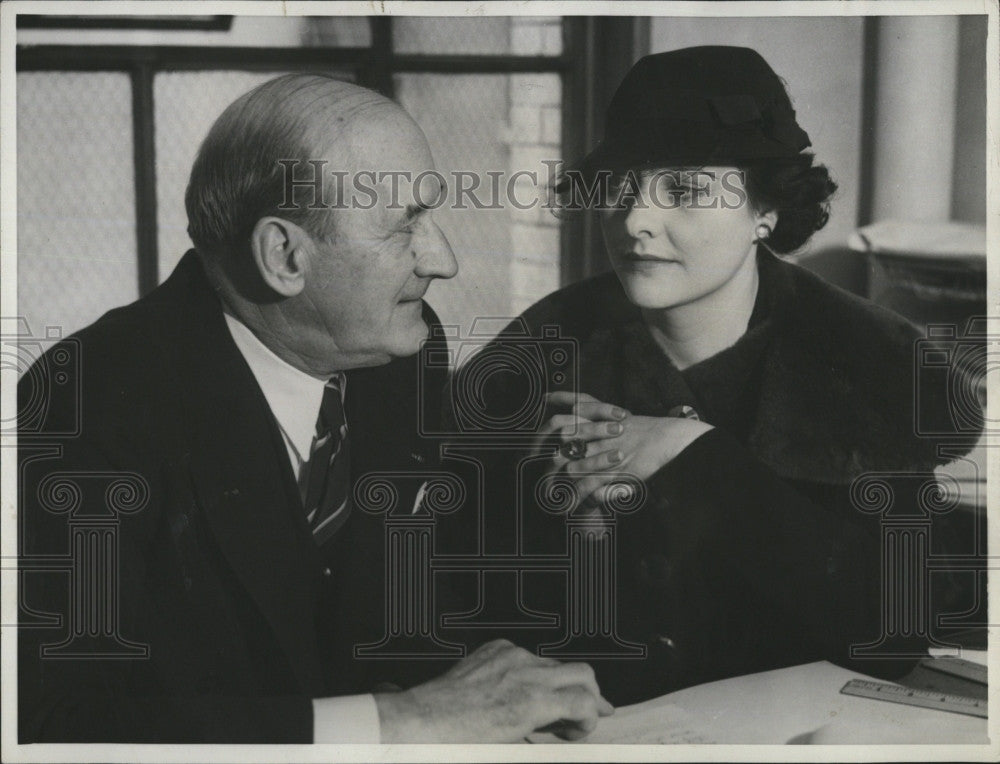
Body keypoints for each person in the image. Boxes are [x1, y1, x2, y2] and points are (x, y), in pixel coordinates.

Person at [17, 73, 612, 743]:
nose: (442, 260)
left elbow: (409, 607)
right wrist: (406, 721)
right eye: (404, 226)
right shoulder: (87, 402)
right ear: (284, 255)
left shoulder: (403, 354)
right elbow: (54, 726)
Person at [475, 46, 978, 705]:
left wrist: (693, 458)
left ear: (765, 211)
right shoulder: (536, 359)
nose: (634, 222)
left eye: (682, 191)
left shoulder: (870, 363)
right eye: (619, 188)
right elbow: (465, 612)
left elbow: (891, 636)